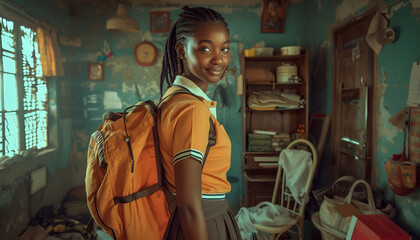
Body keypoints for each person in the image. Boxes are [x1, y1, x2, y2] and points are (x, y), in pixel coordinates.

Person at [157, 6, 242, 240]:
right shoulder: (191, 109)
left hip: (191, 221)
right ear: (181, 51)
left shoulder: (172, 97)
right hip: (203, 222)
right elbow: (189, 206)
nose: (219, 58)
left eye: (224, 49)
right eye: (205, 48)